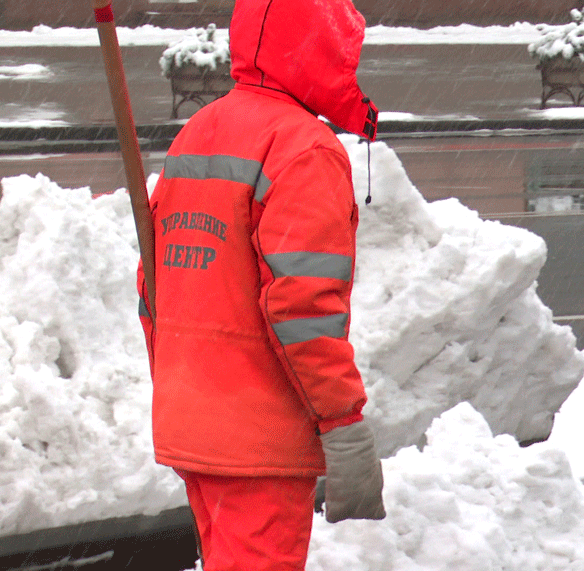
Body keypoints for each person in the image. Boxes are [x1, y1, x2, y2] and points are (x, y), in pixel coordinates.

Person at [135, 0, 385, 569]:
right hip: (259, 436)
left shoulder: (199, 132)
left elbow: (154, 285)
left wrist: (179, 381)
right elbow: (302, 307)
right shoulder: (304, 149)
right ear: (325, 52)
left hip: (194, 421)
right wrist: (342, 421)